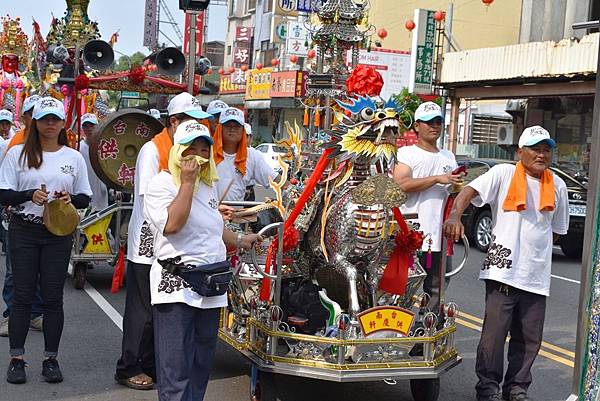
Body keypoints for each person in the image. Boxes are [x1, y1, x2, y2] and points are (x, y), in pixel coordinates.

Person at [443, 126, 569, 401]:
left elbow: (557, 230)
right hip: (502, 271)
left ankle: (516, 389)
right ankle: (488, 388)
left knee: (529, 338)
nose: (541, 154)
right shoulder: (504, 173)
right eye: (535, 148)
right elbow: (468, 191)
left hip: (536, 275)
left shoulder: (557, 185)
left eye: (546, 149)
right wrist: (454, 216)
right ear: (520, 152)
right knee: (494, 336)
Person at [143, 120, 261, 401]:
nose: (197, 155)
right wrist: (186, 183)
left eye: (203, 148)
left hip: (210, 285)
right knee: (176, 367)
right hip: (176, 287)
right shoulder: (161, 184)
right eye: (189, 149)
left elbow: (214, 226)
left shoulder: (208, 185)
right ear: (177, 152)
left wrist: (240, 240)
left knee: (200, 363)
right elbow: (172, 225)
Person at [116, 92, 211, 390]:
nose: (195, 130)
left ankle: (153, 366)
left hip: (174, 245)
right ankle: (128, 366)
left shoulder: (189, 154)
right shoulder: (152, 150)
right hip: (150, 241)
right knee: (142, 311)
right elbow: (149, 202)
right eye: (190, 122)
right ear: (174, 122)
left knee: (162, 312)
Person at [0, 97, 92, 384]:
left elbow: (84, 197)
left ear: (63, 123)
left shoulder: (73, 157)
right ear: (35, 122)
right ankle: (17, 359)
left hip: (58, 234)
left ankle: (51, 359)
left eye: (55, 119)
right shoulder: (17, 154)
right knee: (23, 297)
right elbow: (4, 195)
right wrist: (29, 195)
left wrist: (68, 198)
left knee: (53, 299)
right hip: (24, 229)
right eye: (45, 119)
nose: (50, 124)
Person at [393, 101, 462, 314]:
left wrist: (457, 187)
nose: (434, 126)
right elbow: (400, 186)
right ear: (416, 126)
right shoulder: (406, 153)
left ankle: (426, 338)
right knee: (400, 289)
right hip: (410, 236)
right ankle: (394, 337)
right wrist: (436, 179)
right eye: (428, 122)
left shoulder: (448, 156)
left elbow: (454, 191)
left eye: (438, 122)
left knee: (436, 290)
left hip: (438, 238)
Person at [0, 95, 44, 337]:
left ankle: (35, 314)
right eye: (34, 114)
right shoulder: (16, 143)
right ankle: (11, 315)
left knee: (36, 270)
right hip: (17, 216)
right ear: (26, 118)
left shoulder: (53, 143)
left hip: (44, 218)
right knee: (13, 271)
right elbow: (7, 187)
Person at [213, 107, 276, 202]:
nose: (232, 129)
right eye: (228, 125)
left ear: (243, 130)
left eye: (237, 126)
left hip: (236, 214)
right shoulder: (207, 153)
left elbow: (275, 179)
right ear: (220, 128)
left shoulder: (253, 156)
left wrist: (293, 190)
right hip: (210, 213)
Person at [79, 113, 108, 211]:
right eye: (85, 126)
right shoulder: (78, 148)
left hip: (101, 195)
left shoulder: (104, 146)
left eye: (92, 125)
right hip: (84, 197)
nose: (89, 128)